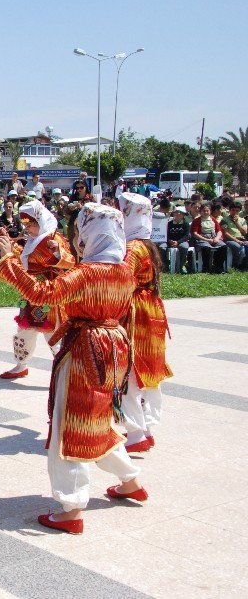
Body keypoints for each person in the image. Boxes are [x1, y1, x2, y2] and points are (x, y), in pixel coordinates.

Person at [0, 203, 146, 534]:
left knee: (70, 424)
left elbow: (40, 292)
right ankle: (129, 480)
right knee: (99, 419)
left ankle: (71, 506)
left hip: (84, 351)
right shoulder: (124, 271)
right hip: (114, 348)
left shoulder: (85, 273)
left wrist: (6, 260)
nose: (76, 237)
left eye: (80, 230)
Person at [0, 201, 76, 380]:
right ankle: (21, 365)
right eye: (26, 225)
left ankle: (66, 368)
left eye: (32, 224)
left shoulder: (53, 238)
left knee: (53, 333)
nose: (28, 228)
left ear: (41, 221)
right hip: (30, 290)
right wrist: (10, 247)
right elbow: (26, 260)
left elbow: (70, 261)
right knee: (24, 331)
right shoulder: (33, 240)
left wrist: (58, 253)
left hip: (48, 292)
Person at [118, 193, 171, 452]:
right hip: (149, 308)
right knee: (143, 371)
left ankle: (136, 434)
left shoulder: (132, 248)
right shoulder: (145, 244)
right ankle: (145, 428)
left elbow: (121, 276)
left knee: (129, 371)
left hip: (135, 311)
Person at [190, 203, 225, 273]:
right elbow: (195, 233)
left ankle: (218, 267)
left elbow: (219, 231)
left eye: (207, 211)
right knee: (206, 248)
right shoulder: (196, 221)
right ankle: (206, 268)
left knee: (223, 247)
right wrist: (207, 240)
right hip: (202, 239)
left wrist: (217, 238)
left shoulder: (213, 220)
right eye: (204, 211)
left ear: (210, 211)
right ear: (200, 212)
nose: (206, 212)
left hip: (214, 238)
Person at [160, 206, 192, 273]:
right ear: (173, 214)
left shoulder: (186, 224)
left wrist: (178, 242)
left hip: (182, 241)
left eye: (180, 213)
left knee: (184, 247)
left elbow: (187, 236)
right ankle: (166, 266)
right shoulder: (169, 224)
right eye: (176, 212)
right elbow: (165, 234)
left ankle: (181, 266)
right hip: (169, 241)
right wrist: (169, 241)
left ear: (183, 215)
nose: (178, 214)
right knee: (162, 248)